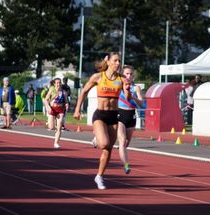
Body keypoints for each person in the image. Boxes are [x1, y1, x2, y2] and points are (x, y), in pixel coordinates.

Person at [73, 52, 131, 190]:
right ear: (108, 61)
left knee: (108, 149)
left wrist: (127, 90)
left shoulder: (122, 79)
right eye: (115, 61)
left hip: (114, 116)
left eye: (119, 61)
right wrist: (77, 109)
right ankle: (97, 139)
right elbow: (84, 92)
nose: (118, 63)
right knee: (103, 143)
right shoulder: (98, 77)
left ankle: (99, 176)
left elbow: (128, 99)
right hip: (100, 115)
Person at [117, 65, 144, 174]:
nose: (129, 76)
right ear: (123, 75)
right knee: (122, 141)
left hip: (131, 116)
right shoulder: (118, 86)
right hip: (120, 114)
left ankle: (121, 149)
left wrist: (133, 97)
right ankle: (126, 165)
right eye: (126, 74)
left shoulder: (136, 88)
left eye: (131, 74)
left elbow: (141, 104)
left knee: (126, 143)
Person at [44, 78, 69, 149]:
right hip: (52, 109)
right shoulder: (52, 90)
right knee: (51, 127)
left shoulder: (64, 92)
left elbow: (66, 102)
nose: (58, 84)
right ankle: (49, 122)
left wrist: (67, 105)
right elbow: (46, 100)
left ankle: (56, 143)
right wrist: (48, 107)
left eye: (59, 83)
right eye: (57, 83)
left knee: (59, 127)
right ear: (54, 84)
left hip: (60, 110)